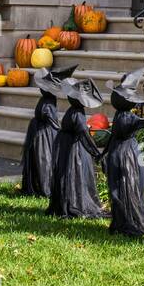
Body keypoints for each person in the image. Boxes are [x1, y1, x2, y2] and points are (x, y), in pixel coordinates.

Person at [47, 75, 107, 219]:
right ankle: (75, 203)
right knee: (75, 173)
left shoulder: (72, 112)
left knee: (68, 173)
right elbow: (85, 136)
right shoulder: (78, 115)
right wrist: (97, 153)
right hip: (74, 148)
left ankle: (65, 201)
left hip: (67, 145)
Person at [103, 68, 144, 237]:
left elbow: (112, 137)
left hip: (116, 152)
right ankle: (130, 220)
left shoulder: (118, 115)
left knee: (119, 186)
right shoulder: (129, 118)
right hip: (128, 154)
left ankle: (120, 220)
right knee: (130, 185)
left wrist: (104, 153)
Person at [21, 64, 77, 197]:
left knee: (42, 159)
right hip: (45, 134)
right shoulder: (48, 104)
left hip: (40, 132)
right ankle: (46, 187)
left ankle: (39, 185)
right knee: (45, 159)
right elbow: (53, 123)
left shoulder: (46, 101)